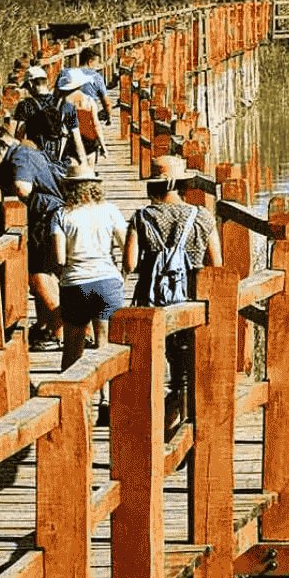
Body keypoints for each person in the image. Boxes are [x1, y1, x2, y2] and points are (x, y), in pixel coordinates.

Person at [0, 121, 67, 351]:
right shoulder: (26, 151)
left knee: (39, 275)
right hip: (49, 216)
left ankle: (60, 333)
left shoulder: (19, 157)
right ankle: (50, 326)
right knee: (44, 274)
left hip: (45, 217)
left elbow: (23, 188)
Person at [50, 161, 128, 368]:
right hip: (108, 281)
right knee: (105, 347)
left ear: (68, 187)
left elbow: (59, 258)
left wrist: (64, 275)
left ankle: (72, 398)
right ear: (95, 186)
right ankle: (104, 398)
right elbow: (126, 246)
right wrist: (122, 276)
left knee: (72, 349)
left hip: (75, 284)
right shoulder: (110, 210)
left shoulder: (61, 215)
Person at [125, 155, 221, 306]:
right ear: (182, 184)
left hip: (151, 298)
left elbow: (129, 265)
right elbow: (216, 265)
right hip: (192, 298)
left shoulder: (141, 217)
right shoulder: (203, 216)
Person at [12, 65, 85, 169]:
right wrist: (83, 164)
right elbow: (77, 138)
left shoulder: (25, 106)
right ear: (46, 82)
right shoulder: (67, 106)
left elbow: (18, 137)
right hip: (62, 162)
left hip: (37, 162)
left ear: (30, 84)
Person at [57, 67, 103, 162]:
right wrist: (103, 146)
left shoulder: (65, 100)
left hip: (71, 142)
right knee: (90, 170)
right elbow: (96, 125)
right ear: (81, 85)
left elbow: (61, 123)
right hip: (90, 140)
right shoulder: (89, 100)